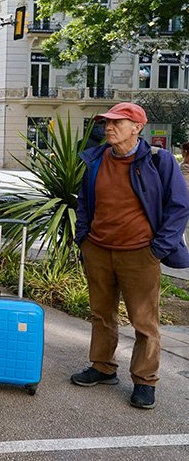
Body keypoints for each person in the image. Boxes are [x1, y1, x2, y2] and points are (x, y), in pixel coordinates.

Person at [73, 102, 189, 410]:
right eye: (107, 123)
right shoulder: (96, 159)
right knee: (101, 313)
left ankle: (145, 380)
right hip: (98, 249)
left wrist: (158, 248)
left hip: (140, 253)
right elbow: (84, 202)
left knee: (143, 320)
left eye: (117, 122)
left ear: (137, 128)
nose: (108, 127)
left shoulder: (159, 160)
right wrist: (83, 239)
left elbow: (179, 207)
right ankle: (102, 366)